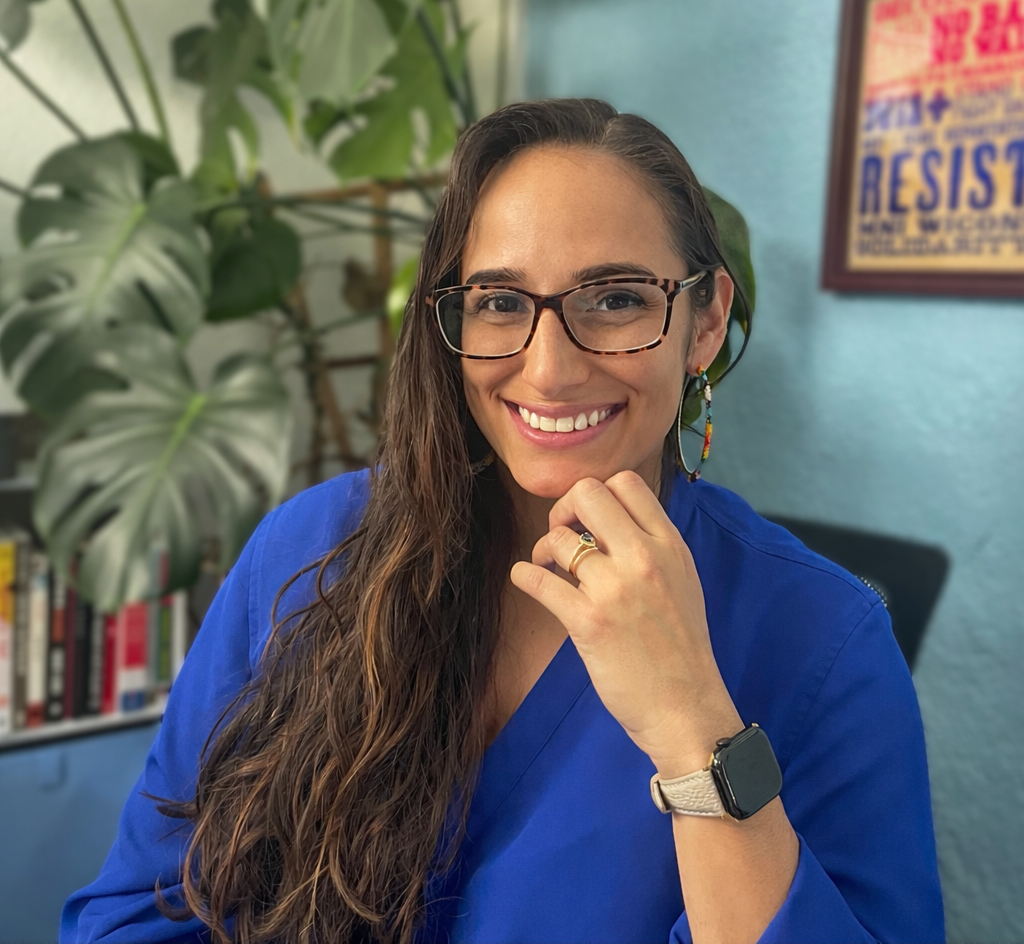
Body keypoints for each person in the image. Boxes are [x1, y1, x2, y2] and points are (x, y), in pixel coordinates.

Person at [61, 99, 944, 944]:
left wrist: (692, 723)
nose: (549, 369)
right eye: (498, 301)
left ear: (704, 321)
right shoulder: (309, 551)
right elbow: (138, 913)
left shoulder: (825, 640)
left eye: (616, 298)